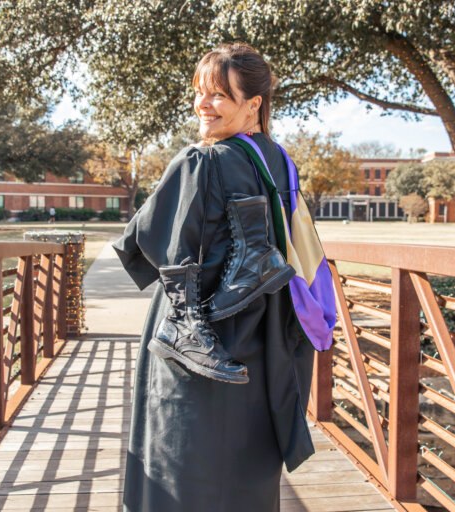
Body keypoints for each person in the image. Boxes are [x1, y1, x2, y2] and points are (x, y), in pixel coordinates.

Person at [114, 43, 324, 511]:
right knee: (246, 467)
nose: (202, 106)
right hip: (267, 337)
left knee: (187, 464)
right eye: (199, 93)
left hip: (204, 343)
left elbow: (144, 244)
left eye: (218, 96)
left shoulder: (203, 161)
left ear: (254, 104)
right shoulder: (277, 161)